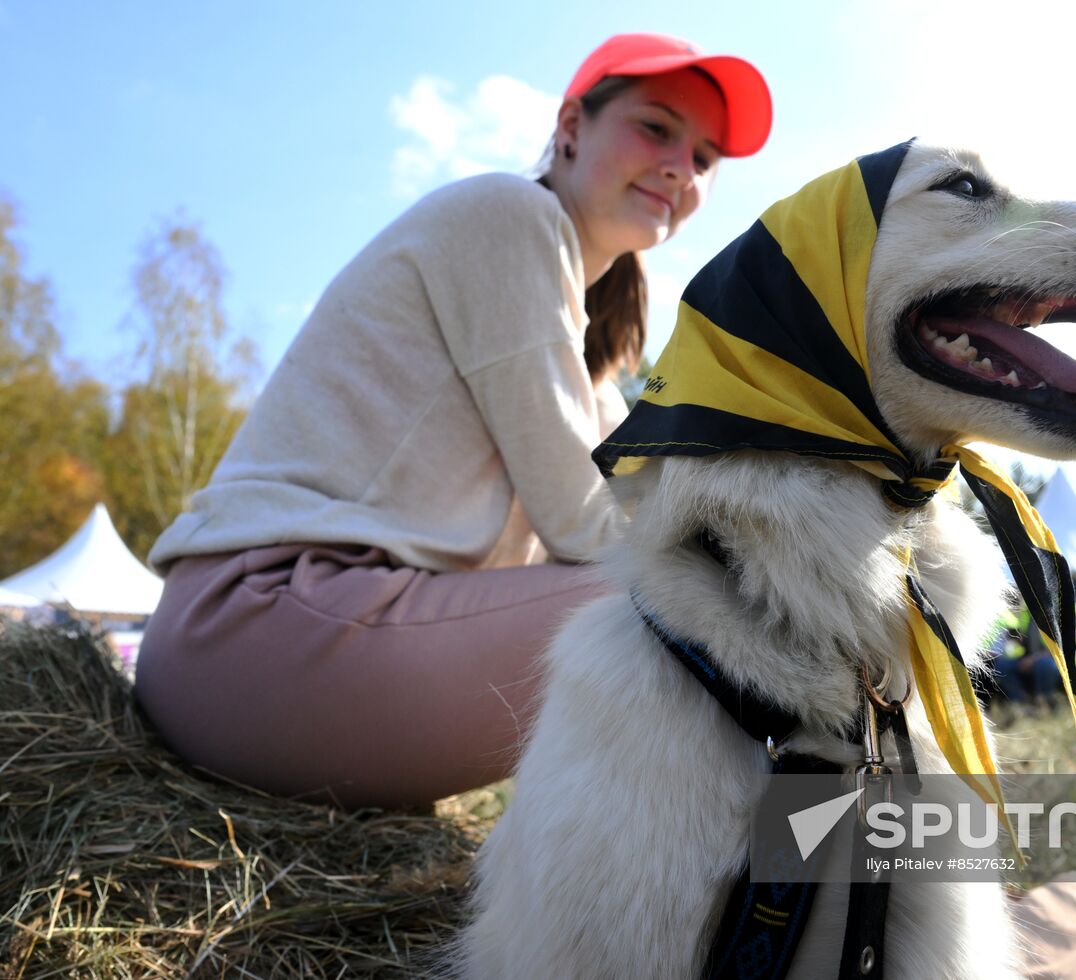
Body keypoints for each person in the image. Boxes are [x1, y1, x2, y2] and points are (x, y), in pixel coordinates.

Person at [132, 34, 773, 810]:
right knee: (716, 605)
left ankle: (822, 881)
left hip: (297, 641)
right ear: (571, 125)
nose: (682, 167)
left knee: (741, 600)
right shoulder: (510, 216)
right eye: (657, 128)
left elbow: (634, 504)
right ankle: (813, 889)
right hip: (257, 628)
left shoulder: (590, 340)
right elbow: (588, 525)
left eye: (705, 158)